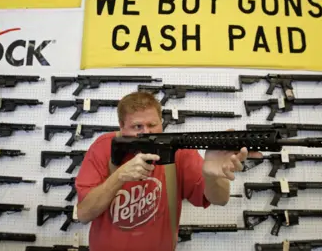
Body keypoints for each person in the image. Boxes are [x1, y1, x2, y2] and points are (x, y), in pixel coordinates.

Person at [75, 91, 261, 251]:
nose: (147, 132)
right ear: (121, 127)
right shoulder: (102, 148)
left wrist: (212, 177)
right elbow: (84, 215)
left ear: (162, 123)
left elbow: (220, 199)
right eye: (137, 126)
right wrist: (119, 177)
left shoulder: (179, 150)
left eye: (152, 125)